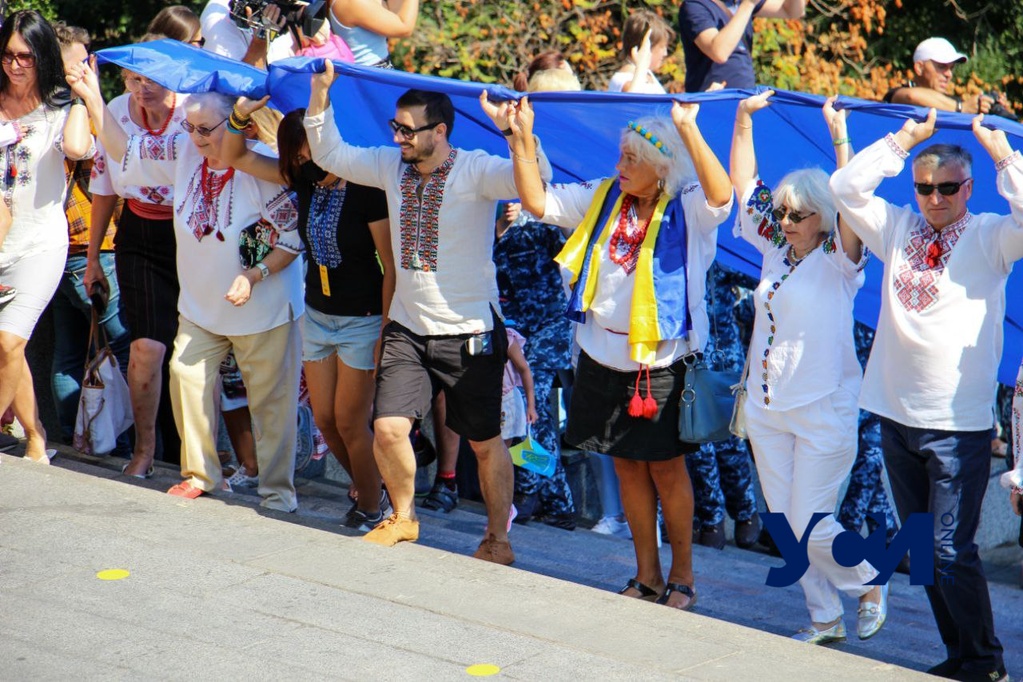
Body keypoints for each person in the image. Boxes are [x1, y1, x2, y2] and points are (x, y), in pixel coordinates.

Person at [303, 60, 552, 563]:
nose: (397, 138)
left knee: (484, 442)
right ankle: (403, 517)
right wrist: (320, 92)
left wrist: (515, 133)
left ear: (439, 131)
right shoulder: (388, 166)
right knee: (388, 428)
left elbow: (537, 181)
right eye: (394, 127)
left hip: (470, 333)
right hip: (407, 327)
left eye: (407, 130)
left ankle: (498, 539)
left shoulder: (476, 169)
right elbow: (329, 153)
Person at [506, 94, 734, 610]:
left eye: (632, 158)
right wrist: (520, 140)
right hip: (601, 357)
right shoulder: (604, 194)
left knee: (666, 469)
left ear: (661, 168)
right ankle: (647, 576)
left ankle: (683, 577)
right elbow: (538, 203)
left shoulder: (688, 206)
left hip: (661, 364)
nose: (620, 165)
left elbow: (722, 196)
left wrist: (688, 129)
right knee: (627, 466)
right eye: (622, 155)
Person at [830, 108, 1018, 681]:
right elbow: (845, 188)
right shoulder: (896, 227)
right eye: (924, 187)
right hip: (895, 413)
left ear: (969, 188)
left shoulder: (992, 236)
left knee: (950, 549)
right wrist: (904, 139)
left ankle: (985, 661)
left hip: (958, 425)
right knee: (924, 553)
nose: (934, 198)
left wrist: (1003, 155)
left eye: (947, 188)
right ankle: (960, 656)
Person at [69, 65, 306, 513]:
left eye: (205, 129)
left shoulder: (259, 165)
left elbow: (292, 239)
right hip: (199, 306)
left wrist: (253, 275)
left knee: (271, 404)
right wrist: (92, 97)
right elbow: (126, 151)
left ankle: (278, 492)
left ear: (235, 126)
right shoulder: (184, 151)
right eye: (190, 127)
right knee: (186, 376)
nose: (195, 137)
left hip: (264, 308)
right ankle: (201, 474)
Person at [731, 91, 887, 643]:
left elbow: (854, 197)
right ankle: (825, 618)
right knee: (785, 525)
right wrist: (743, 121)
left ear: (825, 215)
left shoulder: (840, 259)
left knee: (813, 524)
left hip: (823, 408)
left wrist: (839, 134)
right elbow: (743, 186)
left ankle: (869, 582)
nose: (787, 221)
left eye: (799, 214)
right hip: (767, 407)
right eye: (783, 213)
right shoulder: (776, 248)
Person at [221, 102, 393, 531]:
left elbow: (390, 267)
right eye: (296, 157)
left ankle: (372, 509)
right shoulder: (304, 181)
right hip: (317, 314)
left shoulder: (367, 187)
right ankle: (375, 491)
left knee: (351, 422)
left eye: (309, 153)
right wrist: (240, 115)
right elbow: (234, 155)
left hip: (363, 319)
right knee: (325, 422)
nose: (304, 163)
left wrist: (386, 331)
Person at [87, 36, 187, 477]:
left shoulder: (194, 110)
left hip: (193, 233)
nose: (142, 89)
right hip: (139, 233)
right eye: (132, 79)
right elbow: (104, 185)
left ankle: (196, 455)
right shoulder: (115, 109)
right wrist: (94, 257)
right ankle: (144, 451)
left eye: (151, 80)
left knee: (191, 352)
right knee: (146, 347)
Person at [0, 10, 93, 464]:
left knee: (9, 342)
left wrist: (81, 97)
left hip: (41, 244)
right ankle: (35, 435)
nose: (15, 65)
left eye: (26, 57)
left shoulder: (60, 105)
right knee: (8, 348)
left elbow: (77, 148)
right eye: (7, 55)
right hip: (1, 237)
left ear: (42, 56)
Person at [50, 22, 132, 455]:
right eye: (80, 62)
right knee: (120, 344)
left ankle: (75, 436)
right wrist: (86, 95)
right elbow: (81, 148)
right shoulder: (66, 107)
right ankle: (122, 443)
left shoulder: (41, 106)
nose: (90, 67)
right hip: (88, 246)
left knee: (70, 349)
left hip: (65, 246)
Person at [686, 263, 760, 550]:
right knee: (699, 446)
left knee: (730, 443)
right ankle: (711, 520)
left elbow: (757, 273)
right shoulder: (678, 247)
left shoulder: (725, 251)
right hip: (689, 357)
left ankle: (745, 514)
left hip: (724, 357)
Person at [677, 0, 806, 93]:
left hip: (744, 98)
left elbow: (792, 11)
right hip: (711, 100)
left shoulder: (738, 3)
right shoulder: (695, 6)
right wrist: (748, 4)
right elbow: (719, 53)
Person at [883, 38, 1008, 118]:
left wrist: (990, 109)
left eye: (951, 68)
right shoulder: (898, 94)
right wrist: (961, 108)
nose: (949, 74)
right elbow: (911, 97)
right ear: (920, 68)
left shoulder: (954, 101)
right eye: (941, 66)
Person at [327, 0, 421, 67]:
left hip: (378, 69)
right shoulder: (353, 2)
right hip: (369, 76)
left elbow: (394, 12)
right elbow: (404, 28)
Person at [608, 9, 673, 94]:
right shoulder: (624, 79)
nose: (665, 53)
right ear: (645, 47)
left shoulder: (646, 74)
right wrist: (641, 65)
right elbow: (634, 98)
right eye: (661, 47)